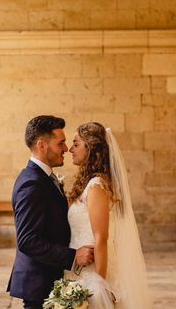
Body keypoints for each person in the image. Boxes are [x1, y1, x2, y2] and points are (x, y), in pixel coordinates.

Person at [8, 115, 95, 309]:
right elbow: (27, 240)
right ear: (42, 145)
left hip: (50, 279)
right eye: (61, 143)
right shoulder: (32, 183)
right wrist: (73, 257)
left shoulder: (44, 178)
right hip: (39, 283)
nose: (66, 148)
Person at [64, 122, 152, 308]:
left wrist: (98, 285)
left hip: (92, 272)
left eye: (76, 144)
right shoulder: (87, 184)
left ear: (91, 148)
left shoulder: (96, 186)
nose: (70, 149)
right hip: (78, 268)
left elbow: (101, 238)